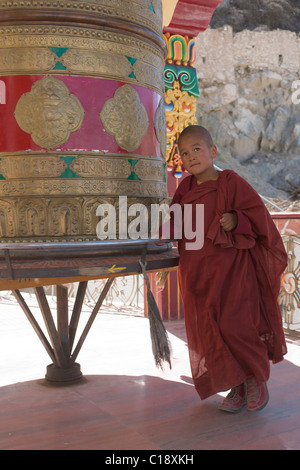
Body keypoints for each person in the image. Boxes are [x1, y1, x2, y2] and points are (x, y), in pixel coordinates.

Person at [160, 125, 287, 413]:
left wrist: (236, 219)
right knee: (211, 329)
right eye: (184, 153)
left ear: (212, 151)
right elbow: (175, 222)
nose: (190, 156)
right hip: (195, 272)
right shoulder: (184, 189)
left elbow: (258, 217)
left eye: (196, 149)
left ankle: (255, 379)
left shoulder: (231, 181)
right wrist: (155, 237)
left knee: (237, 324)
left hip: (232, 270)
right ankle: (237, 385)